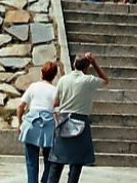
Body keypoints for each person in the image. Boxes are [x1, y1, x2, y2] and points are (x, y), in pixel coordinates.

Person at [45, 52, 109, 183]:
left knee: (57, 161)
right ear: (87, 67)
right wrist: (94, 62)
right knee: (77, 162)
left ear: (74, 64)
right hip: (81, 121)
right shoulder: (89, 80)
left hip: (63, 120)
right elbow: (105, 80)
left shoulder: (63, 80)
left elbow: (55, 103)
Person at [16, 60, 59, 183]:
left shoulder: (33, 87)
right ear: (54, 76)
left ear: (41, 73)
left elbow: (20, 107)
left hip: (32, 124)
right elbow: (57, 112)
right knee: (49, 160)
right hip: (48, 125)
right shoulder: (55, 90)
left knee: (31, 161)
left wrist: (19, 123)